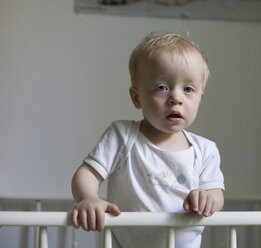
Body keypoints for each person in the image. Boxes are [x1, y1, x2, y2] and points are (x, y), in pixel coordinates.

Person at [70, 32, 225, 248]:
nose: (176, 98)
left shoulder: (205, 150)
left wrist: (209, 200)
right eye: (161, 87)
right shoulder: (122, 136)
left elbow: (216, 193)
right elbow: (86, 174)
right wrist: (88, 198)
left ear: (200, 98)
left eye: (188, 89)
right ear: (137, 97)